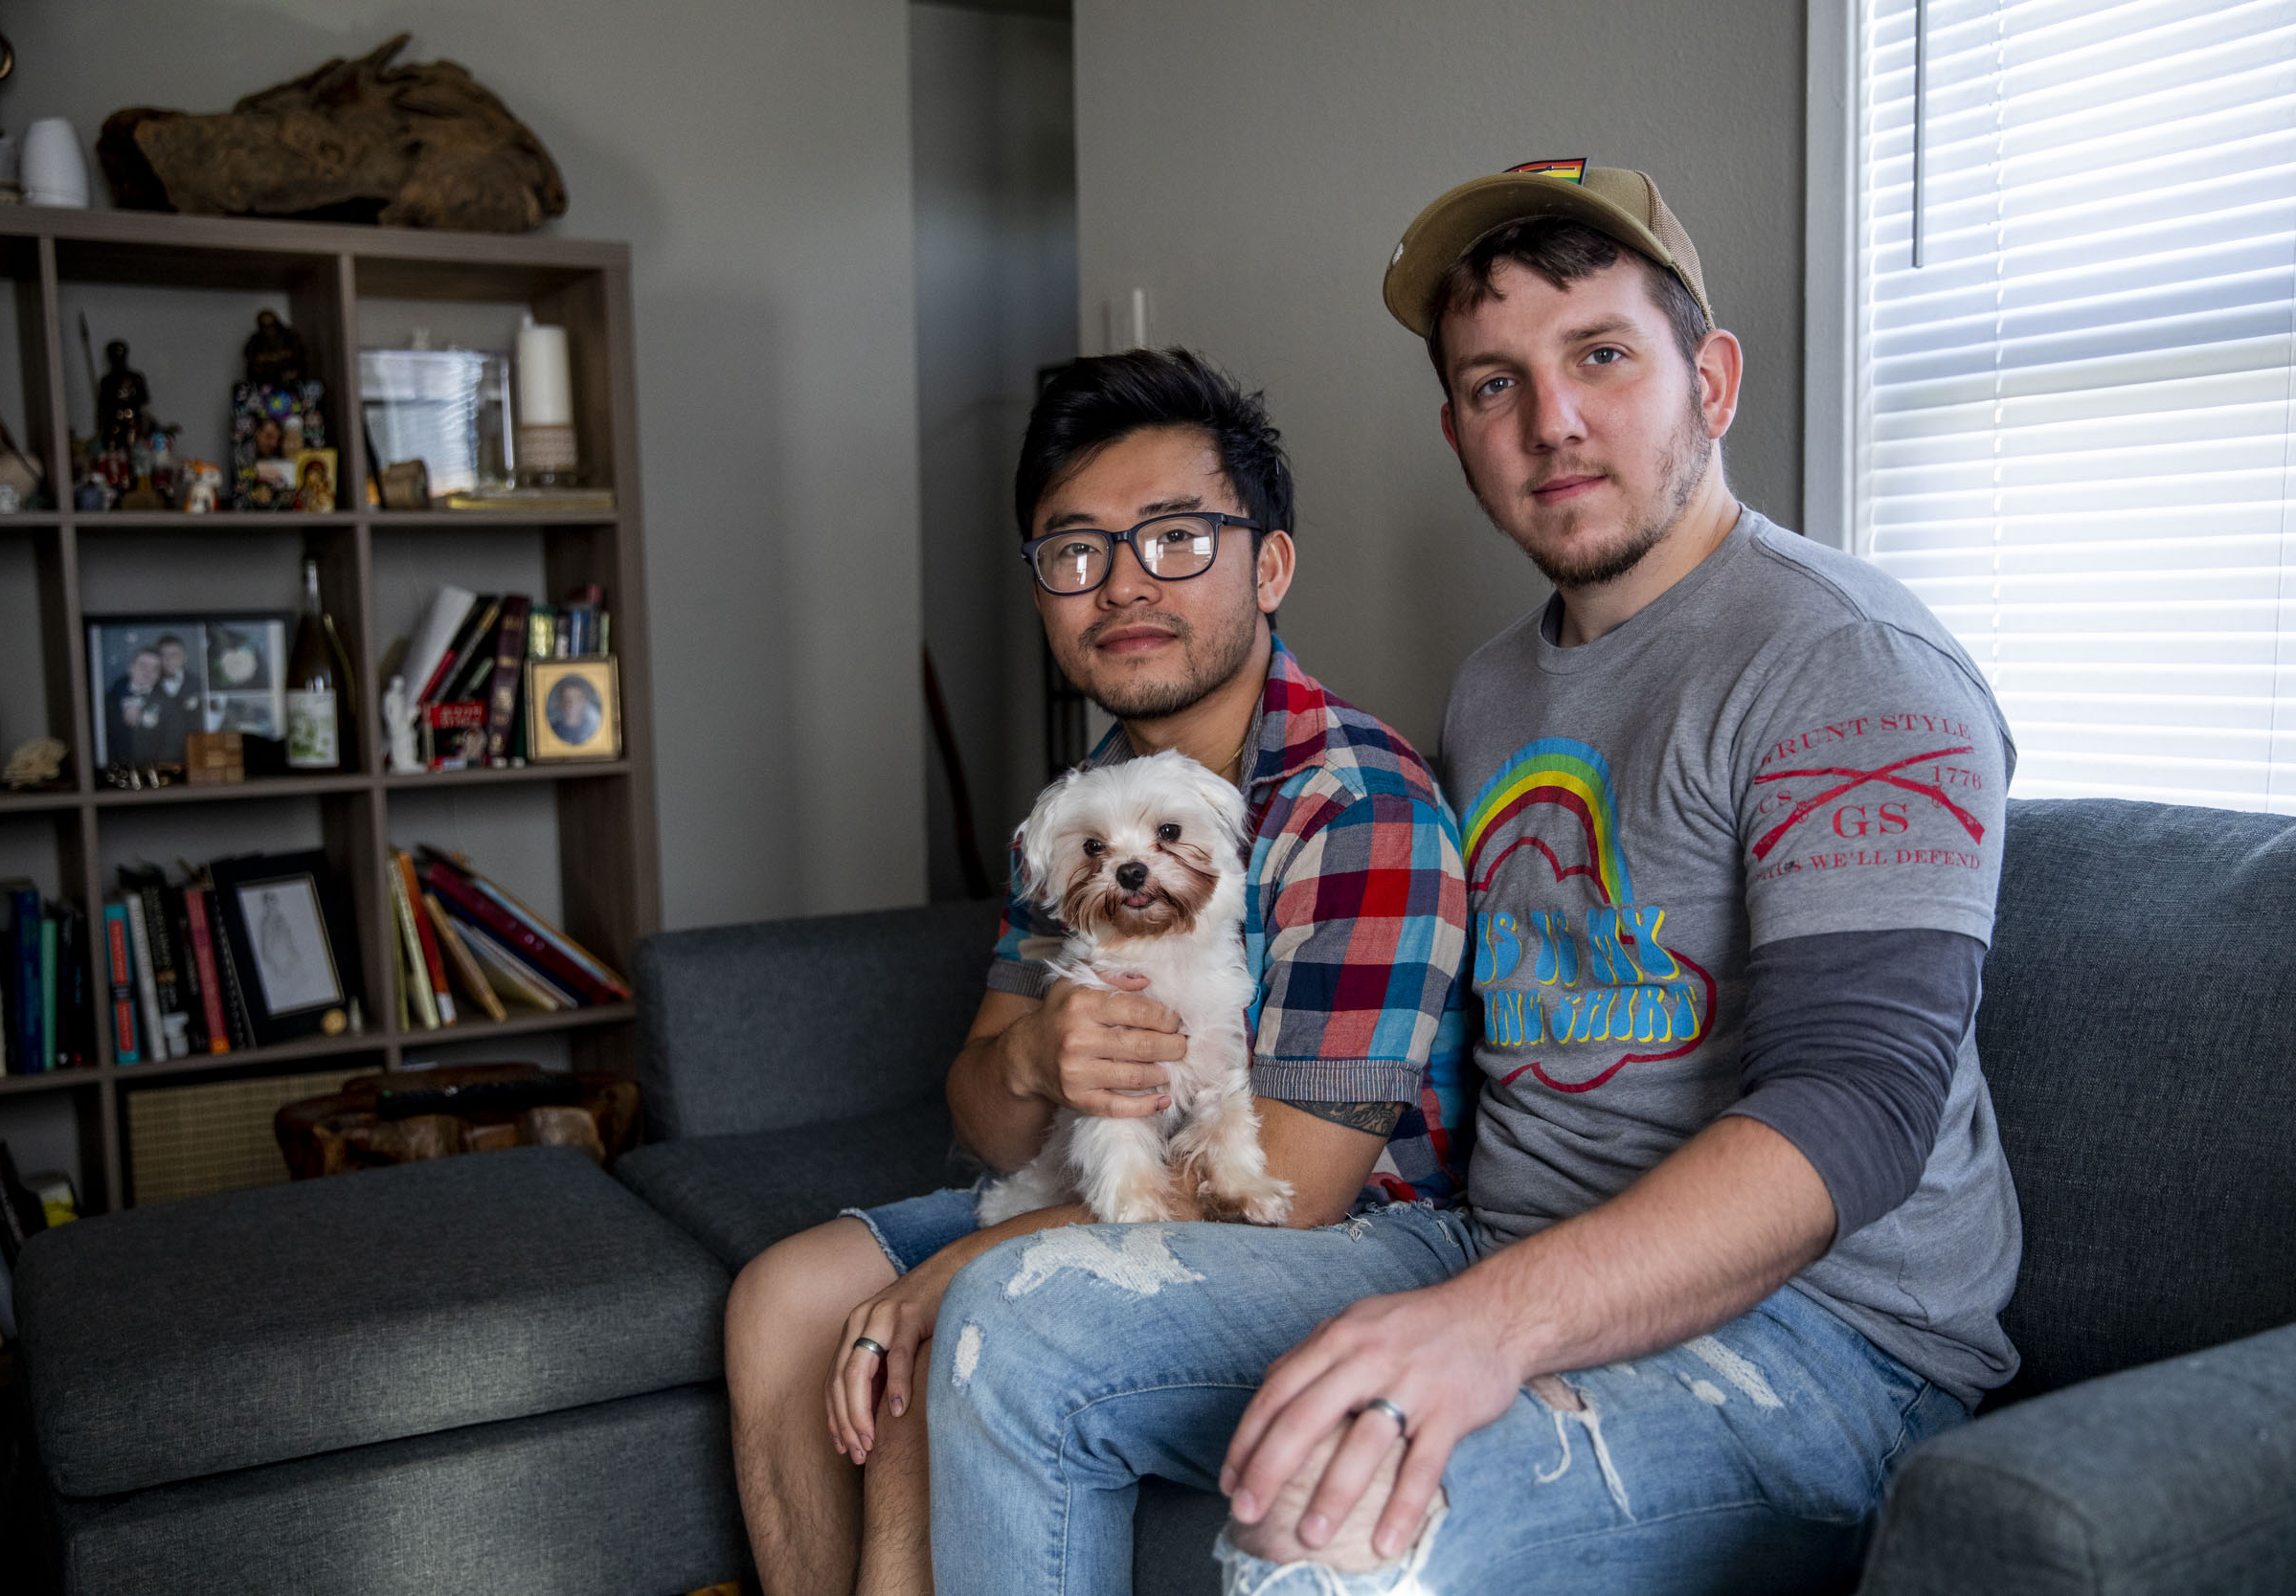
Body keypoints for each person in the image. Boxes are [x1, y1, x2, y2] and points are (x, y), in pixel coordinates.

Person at [926, 164, 2021, 1595]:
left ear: (1715, 380)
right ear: (1456, 432)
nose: (1550, 422)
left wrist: (1488, 1327)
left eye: (1602, 356)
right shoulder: (1500, 687)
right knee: (1008, 1330)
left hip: (1824, 1345)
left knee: (1335, 1539)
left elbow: (1860, 1108)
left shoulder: (1850, 666)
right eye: (1493, 384)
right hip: (1483, 1246)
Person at [722, 348, 1472, 1596]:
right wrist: (1026, 1053)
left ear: (1269, 565)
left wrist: (959, 1268)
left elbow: (1294, 1177)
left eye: (1175, 537)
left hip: (1358, 1235)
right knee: (780, 1300)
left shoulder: (1358, 803)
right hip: (1108, 1186)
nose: (1121, 585)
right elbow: (987, 1120)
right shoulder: (1085, 814)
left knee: (946, 1325)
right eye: (1075, 553)